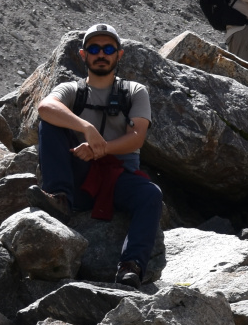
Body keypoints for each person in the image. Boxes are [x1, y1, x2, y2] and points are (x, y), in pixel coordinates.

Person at [33, 24, 164, 287]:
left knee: (151, 194)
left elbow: (137, 138)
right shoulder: (73, 90)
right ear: (83, 55)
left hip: (118, 177)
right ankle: (59, 197)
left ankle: (131, 265)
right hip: (79, 175)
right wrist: (86, 128)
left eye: (108, 49)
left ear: (119, 54)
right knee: (49, 123)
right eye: (94, 49)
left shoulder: (134, 91)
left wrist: (98, 148)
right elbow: (45, 107)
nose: (101, 54)